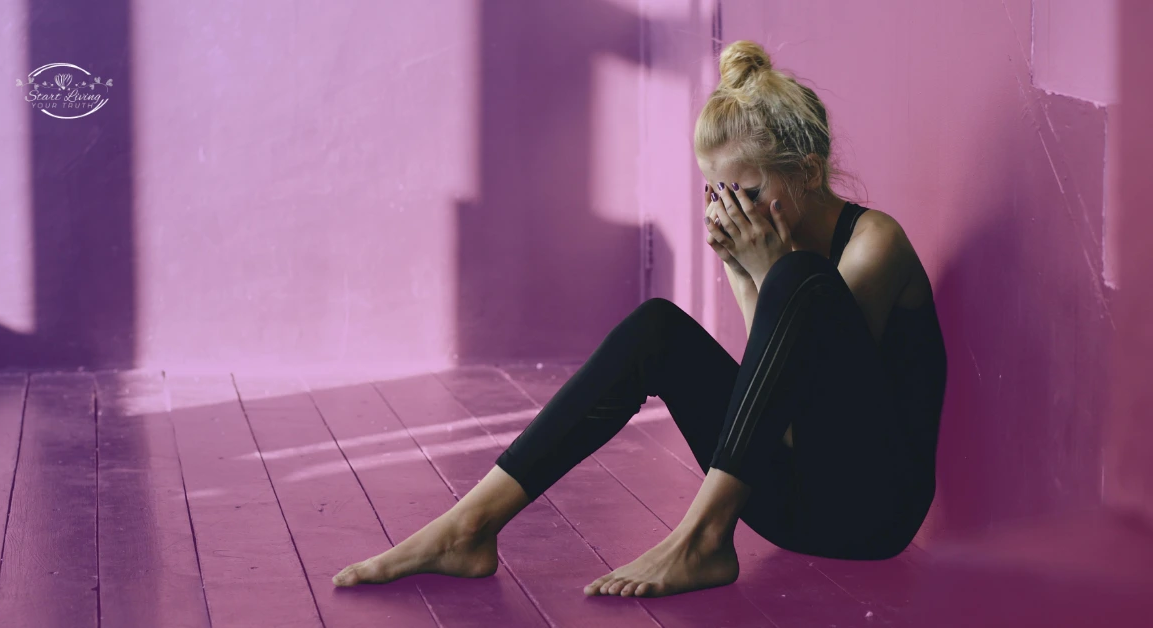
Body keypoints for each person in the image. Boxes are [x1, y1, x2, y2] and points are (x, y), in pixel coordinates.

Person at [332, 39, 947, 599]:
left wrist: (765, 270)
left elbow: (804, 423)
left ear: (808, 174)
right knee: (657, 326)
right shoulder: (774, 258)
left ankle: (702, 538)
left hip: (871, 513)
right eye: (715, 193)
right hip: (789, 505)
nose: (730, 211)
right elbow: (770, 407)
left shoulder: (874, 245)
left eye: (747, 192)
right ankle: (468, 527)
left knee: (797, 275)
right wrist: (742, 269)